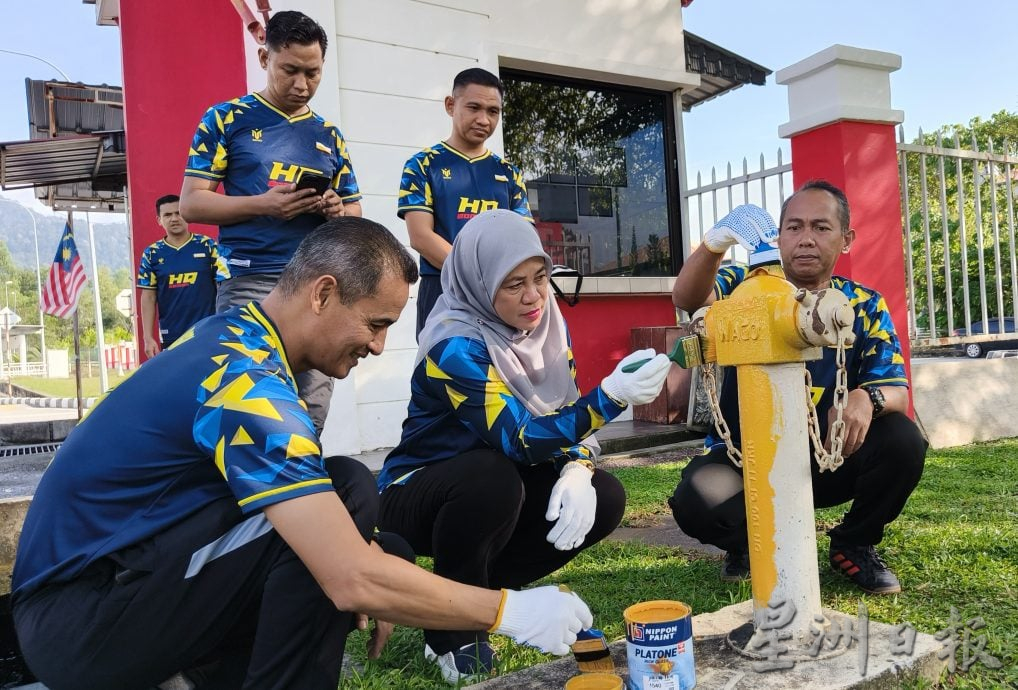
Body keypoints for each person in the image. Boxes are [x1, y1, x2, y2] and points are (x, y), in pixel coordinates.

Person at [12, 218, 594, 690]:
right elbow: (348, 579)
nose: (377, 344)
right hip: (82, 623)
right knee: (346, 496)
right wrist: (507, 613)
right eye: (374, 323)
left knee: (362, 522)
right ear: (323, 293)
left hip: (108, 589)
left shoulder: (234, 335)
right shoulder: (246, 383)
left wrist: (377, 559)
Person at [378, 209, 671, 684]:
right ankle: (448, 629)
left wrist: (578, 468)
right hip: (417, 494)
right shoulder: (453, 345)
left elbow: (565, 413)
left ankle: (478, 596)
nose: (534, 296)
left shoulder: (545, 325)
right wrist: (612, 398)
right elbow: (519, 439)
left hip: (491, 486)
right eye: (514, 284)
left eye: (541, 277)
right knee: (491, 477)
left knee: (605, 495)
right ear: (479, 280)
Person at [668, 181, 927, 595]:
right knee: (698, 499)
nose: (806, 238)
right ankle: (751, 546)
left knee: (903, 439)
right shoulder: (745, 285)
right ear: (779, 236)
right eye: (793, 227)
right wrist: (713, 245)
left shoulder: (862, 304)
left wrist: (866, 396)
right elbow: (686, 296)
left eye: (821, 228)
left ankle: (854, 543)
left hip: (829, 455)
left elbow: (897, 390)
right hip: (745, 459)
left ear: (846, 240)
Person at [179, 10, 360, 432]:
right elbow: (192, 204)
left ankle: (302, 490)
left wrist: (336, 211)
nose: (302, 84)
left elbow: (354, 212)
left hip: (317, 288)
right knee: (249, 409)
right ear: (265, 59)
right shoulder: (225, 119)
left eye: (312, 73)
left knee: (311, 410)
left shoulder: (329, 135)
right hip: (250, 282)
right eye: (290, 70)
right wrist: (264, 204)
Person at [398, 67, 532, 337]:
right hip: (442, 290)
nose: (484, 119)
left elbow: (523, 239)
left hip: (499, 295)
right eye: (474, 107)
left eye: (493, 111)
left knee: (500, 374)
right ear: (451, 105)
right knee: (441, 372)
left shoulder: (509, 173)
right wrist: (475, 277)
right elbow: (420, 236)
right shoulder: (422, 165)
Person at [137, 194, 226, 358]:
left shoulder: (208, 246)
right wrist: (148, 338)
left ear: (187, 215)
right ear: (159, 220)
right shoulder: (152, 254)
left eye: (178, 213)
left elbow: (224, 289)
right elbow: (148, 297)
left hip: (207, 330)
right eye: (167, 215)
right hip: (172, 334)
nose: (174, 219)